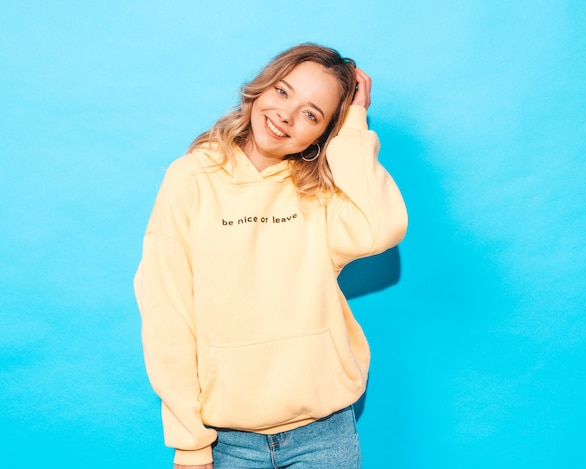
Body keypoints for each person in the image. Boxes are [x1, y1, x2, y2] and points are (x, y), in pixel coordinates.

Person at [134, 43, 408, 469]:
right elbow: (167, 313)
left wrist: (354, 124)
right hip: (226, 440)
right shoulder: (190, 179)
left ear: (323, 134)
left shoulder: (321, 196)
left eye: (312, 113)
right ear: (260, 89)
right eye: (283, 92)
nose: (286, 115)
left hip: (324, 432)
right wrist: (190, 443)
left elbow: (381, 228)